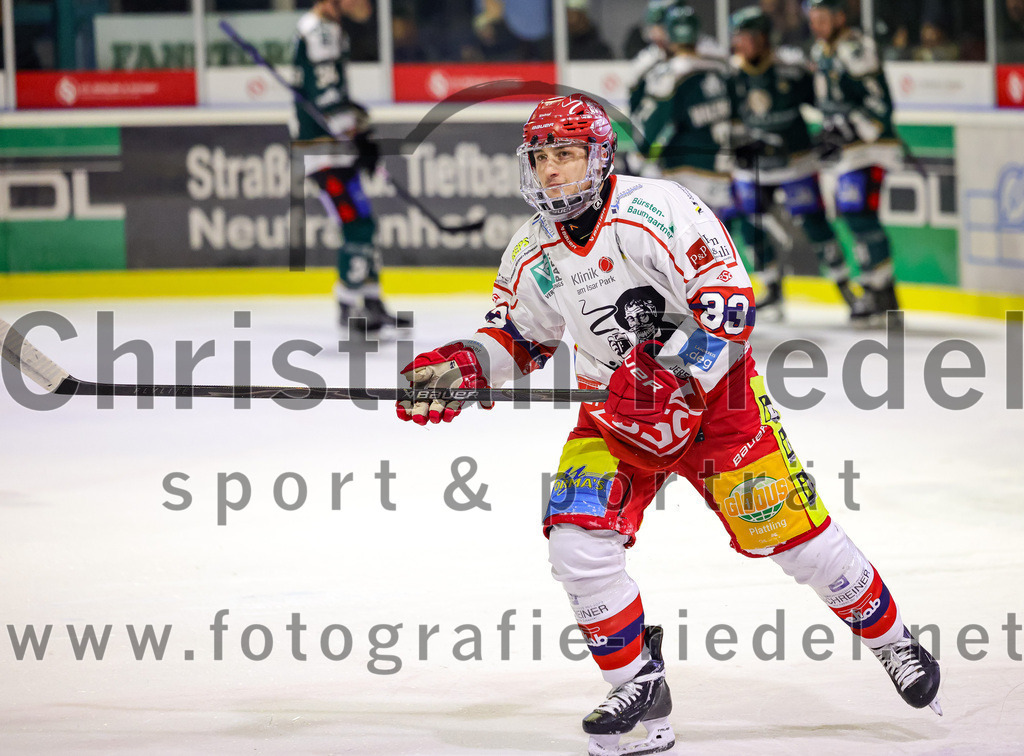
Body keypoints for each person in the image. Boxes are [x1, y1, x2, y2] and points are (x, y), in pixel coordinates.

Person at [396, 93, 941, 756]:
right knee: (576, 543)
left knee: (800, 545)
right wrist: (463, 368)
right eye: (541, 159)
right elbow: (520, 339)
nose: (552, 172)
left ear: (599, 156)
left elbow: (730, 308)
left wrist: (674, 376)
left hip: (719, 408)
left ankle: (893, 642)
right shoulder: (530, 249)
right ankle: (642, 698)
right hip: (616, 419)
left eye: (566, 155)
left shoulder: (659, 209)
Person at [726, 6, 869, 319]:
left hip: (796, 163)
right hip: (755, 170)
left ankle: (847, 291)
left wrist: (834, 131)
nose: (740, 43)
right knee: (751, 227)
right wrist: (736, 144)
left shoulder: (791, 68)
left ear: (764, 38)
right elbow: (730, 120)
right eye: (737, 37)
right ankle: (771, 290)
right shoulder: (732, 74)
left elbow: (826, 102)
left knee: (816, 226)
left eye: (747, 37)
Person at [292, 0, 411, 335]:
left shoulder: (326, 30)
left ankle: (371, 302)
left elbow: (333, 95)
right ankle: (348, 305)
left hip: (335, 150)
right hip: (322, 152)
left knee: (365, 224)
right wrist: (355, 135)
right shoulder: (319, 33)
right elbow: (327, 97)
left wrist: (359, 133)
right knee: (357, 228)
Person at [807, 0, 902, 319]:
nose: (817, 25)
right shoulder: (821, 51)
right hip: (848, 151)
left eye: (822, 18)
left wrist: (852, 124)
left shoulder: (856, 48)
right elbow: (827, 102)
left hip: (871, 147)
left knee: (859, 214)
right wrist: (832, 127)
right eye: (813, 19)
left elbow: (879, 104)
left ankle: (881, 289)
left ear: (840, 17)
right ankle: (880, 289)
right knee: (853, 215)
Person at [631, 5, 735, 222]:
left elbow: (653, 123)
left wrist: (641, 154)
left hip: (685, 169)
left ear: (669, 34)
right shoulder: (720, 65)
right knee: (720, 236)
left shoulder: (669, 73)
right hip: (722, 166)